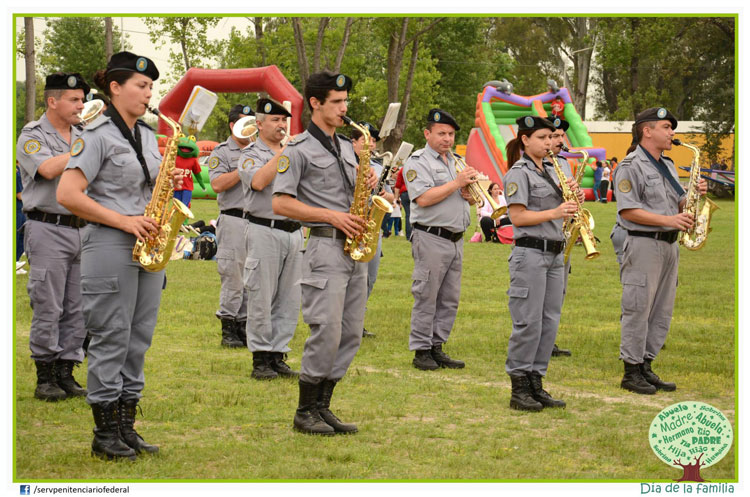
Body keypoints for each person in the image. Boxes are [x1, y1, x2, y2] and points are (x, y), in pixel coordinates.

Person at [57, 51, 183, 460]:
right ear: (115, 87)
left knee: (138, 338)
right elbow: (68, 194)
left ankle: (127, 427)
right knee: (111, 336)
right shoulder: (94, 133)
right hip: (111, 243)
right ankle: (104, 433)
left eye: (150, 87)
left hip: (146, 243)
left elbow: (144, 186)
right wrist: (125, 221)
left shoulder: (147, 135)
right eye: (141, 86)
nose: (149, 94)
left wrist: (169, 179)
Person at [272, 70, 377, 435]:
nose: (344, 109)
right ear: (315, 103)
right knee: (327, 331)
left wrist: (366, 182)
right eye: (336, 102)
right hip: (324, 245)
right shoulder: (298, 148)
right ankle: (305, 410)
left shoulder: (347, 146)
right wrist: (331, 214)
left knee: (349, 333)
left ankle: (323, 405)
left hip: (354, 248)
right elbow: (281, 203)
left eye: (345, 101)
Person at [614, 107, 706, 395]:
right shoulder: (630, 166)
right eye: (666, 127)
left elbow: (679, 201)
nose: (672, 133)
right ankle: (631, 371)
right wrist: (670, 220)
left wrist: (694, 194)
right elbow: (629, 210)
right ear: (647, 131)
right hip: (643, 243)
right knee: (638, 306)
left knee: (662, 310)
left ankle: (646, 365)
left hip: (668, 244)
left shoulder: (666, 164)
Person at [16, 71, 90, 402]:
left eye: (83, 99)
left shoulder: (84, 133)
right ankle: (45, 374)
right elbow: (46, 169)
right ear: (52, 101)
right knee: (49, 304)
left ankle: (67, 370)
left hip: (82, 228)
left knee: (78, 306)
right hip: (47, 227)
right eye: (74, 100)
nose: (81, 105)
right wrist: (85, 145)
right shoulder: (33, 135)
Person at [502, 115, 583, 412]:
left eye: (551, 137)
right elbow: (518, 217)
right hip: (530, 253)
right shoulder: (518, 173)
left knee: (549, 322)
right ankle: (519, 387)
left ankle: (537, 381)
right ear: (525, 140)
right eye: (542, 138)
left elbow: (564, 210)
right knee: (528, 322)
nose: (549, 143)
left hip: (556, 253)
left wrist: (573, 199)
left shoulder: (556, 167)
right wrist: (555, 211)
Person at [403, 108, 477, 371]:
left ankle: (437, 346)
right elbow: (423, 198)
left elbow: (461, 195)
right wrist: (457, 183)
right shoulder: (417, 161)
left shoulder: (455, 160)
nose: (447, 139)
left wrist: (468, 193)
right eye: (442, 133)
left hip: (456, 239)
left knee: (449, 298)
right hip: (431, 236)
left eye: (451, 134)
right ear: (427, 133)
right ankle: (421, 349)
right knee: (427, 294)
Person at [237, 98, 301, 380]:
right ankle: (261, 357)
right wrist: (285, 152)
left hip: (294, 231)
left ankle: (278, 353)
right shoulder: (251, 153)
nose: (281, 125)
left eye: (284, 120)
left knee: (289, 298)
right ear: (258, 124)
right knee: (262, 295)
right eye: (274, 120)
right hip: (264, 228)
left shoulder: (295, 152)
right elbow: (259, 181)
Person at [208, 104, 254, 348]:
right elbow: (217, 184)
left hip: (256, 220)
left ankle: (244, 325)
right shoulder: (222, 152)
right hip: (233, 218)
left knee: (251, 277)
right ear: (232, 124)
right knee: (233, 275)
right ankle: (228, 326)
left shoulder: (259, 150)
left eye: (252, 122)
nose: (250, 127)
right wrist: (242, 168)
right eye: (244, 122)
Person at [351, 121, 395, 338]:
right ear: (353, 142)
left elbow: (391, 197)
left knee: (370, 277)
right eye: (365, 141)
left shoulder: (377, 167)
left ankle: (358, 321)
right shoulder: (345, 163)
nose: (371, 145)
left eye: (374, 141)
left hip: (371, 226)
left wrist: (381, 195)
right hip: (351, 225)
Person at [548, 116, 576, 358]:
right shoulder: (533, 164)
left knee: (559, 291)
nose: (559, 140)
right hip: (543, 234)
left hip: (563, 233)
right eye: (554, 135)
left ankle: (550, 340)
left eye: (560, 136)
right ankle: (539, 341)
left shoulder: (564, 163)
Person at [173, 136, 205, 208]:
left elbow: (197, 174)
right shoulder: (175, 159)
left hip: (188, 187)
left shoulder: (193, 160)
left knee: (185, 206)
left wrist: (202, 185)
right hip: (176, 187)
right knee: (176, 206)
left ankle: (185, 219)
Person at [393, 164, 412, 239]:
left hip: (404, 194)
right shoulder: (417, 167)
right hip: (413, 192)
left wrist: (396, 199)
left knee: (408, 214)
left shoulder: (402, 170)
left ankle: (408, 235)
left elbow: (398, 185)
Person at [16, 163, 27, 275]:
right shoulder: (16, 172)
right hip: (17, 208)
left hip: (20, 209)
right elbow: (19, 194)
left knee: (22, 237)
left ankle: (16, 261)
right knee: (16, 236)